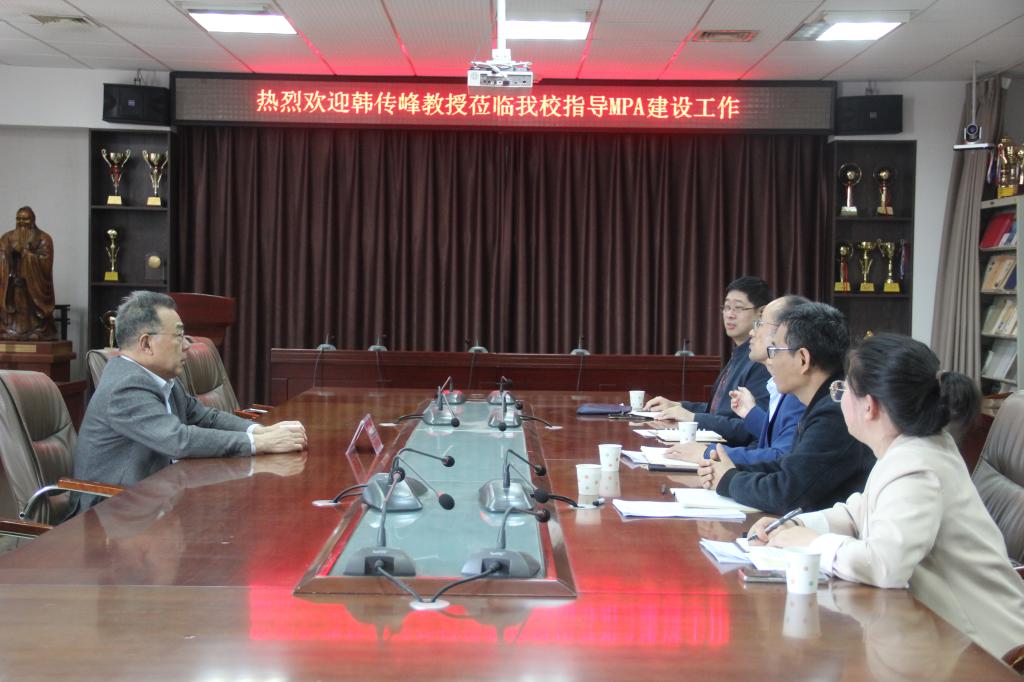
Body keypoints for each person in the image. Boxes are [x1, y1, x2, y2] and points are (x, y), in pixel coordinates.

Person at [748, 334, 1024, 664]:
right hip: (944, 636)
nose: (840, 400)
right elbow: (856, 514)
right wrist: (792, 526)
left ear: (870, 405)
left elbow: (884, 565)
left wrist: (812, 543)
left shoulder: (916, 465)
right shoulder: (909, 449)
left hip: (988, 653)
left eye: (842, 390)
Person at [71, 291, 307, 514]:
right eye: (178, 336)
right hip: (111, 513)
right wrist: (258, 443)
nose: (186, 345)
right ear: (146, 343)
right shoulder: (126, 386)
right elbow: (178, 440)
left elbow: (206, 418)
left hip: (156, 497)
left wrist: (260, 431)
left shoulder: (161, 378)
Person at [697, 302, 874, 514]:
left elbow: (786, 493)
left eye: (774, 351)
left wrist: (729, 480)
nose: (770, 361)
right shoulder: (822, 402)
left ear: (803, 359)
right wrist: (729, 469)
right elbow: (787, 466)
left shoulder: (835, 412)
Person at [665, 295, 808, 465]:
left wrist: (709, 453)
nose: (752, 332)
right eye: (726, 308)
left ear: (784, 332)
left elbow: (780, 457)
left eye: (759, 324)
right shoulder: (775, 383)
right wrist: (751, 413)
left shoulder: (796, 391)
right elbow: (775, 435)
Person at [644, 276, 772, 445]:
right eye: (726, 307)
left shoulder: (761, 361)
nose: (730, 315)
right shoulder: (740, 353)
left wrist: (693, 418)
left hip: (730, 453)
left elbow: (753, 428)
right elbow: (718, 411)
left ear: (761, 313)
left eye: (738, 308)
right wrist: (678, 406)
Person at [0, 206, 56, 340]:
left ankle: (38, 330)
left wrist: (24, 253)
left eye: (25, 219)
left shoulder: (43, 238)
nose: (22, 222)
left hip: (33, 288)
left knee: (34, 320)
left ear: (33, 220)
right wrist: (7, 254)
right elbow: (1, 256)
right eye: (19, 219)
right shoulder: (7, 237)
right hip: (12, 286)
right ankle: (10, 329)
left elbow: (46, 264)